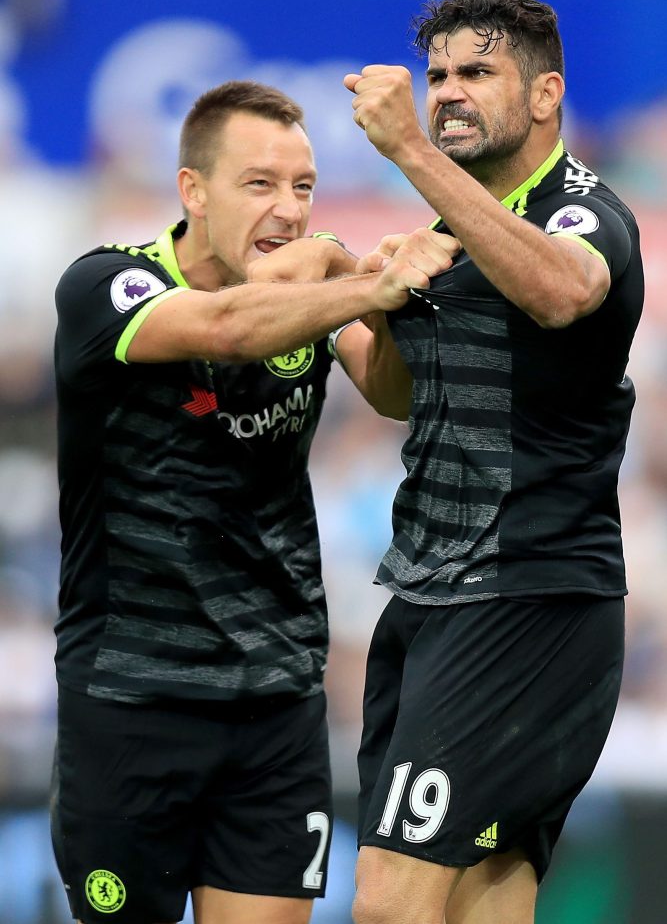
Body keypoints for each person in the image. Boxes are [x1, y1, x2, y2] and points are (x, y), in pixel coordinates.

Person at [51, 79, 461, 924]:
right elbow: (226, 327)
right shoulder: (104, 286)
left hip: (276, 697)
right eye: (259, 184)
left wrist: (372, 297)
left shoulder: (317, 291)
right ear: (192, 191)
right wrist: (366, 286)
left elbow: (389, 394)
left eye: (303, 187)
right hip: (131, 697)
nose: (287, 209)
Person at [342, 0, 644, 924]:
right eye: (436, 76)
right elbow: (397, 394)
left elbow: (560, 291)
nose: (447, 93)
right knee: (484, 900)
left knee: (391, 902)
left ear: (545, 93)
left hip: (526, 598)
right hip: (434, 592)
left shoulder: (580, 212)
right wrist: (348, 297)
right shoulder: (450, 233)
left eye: (477, 71)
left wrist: (408, 153)